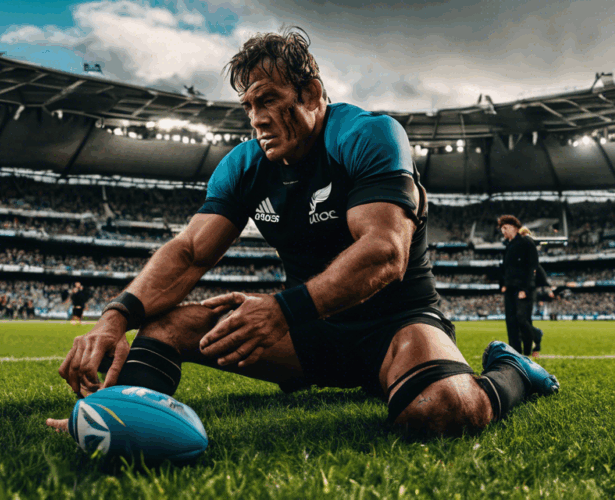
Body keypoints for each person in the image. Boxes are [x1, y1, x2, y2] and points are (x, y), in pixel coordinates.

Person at [49, 28, 558, 437]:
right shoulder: (244, 165)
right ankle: (115, 418)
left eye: (268, 100)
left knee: (443, 409)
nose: (256, 119)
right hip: (306, 332)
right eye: (249, 106)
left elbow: (385, 252)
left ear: (311, 93)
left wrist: (281, 309)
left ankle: (513, 371)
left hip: (397, 324)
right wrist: (114, 318)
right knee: (162, 328)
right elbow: (189, 252)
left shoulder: (366, 135)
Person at [498, 217, 541, 356]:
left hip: (522, 288)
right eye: (502, 228)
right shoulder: (508, 246)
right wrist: (504, 284)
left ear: (515, 228)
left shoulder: (526, 243)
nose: (503, 231)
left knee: (522, 319)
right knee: (511, 322)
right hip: (510, 289)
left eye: (505, 228)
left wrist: (525, 289)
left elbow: (532, 267)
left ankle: (535, 338)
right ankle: (515, 353)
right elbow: (506, 268)